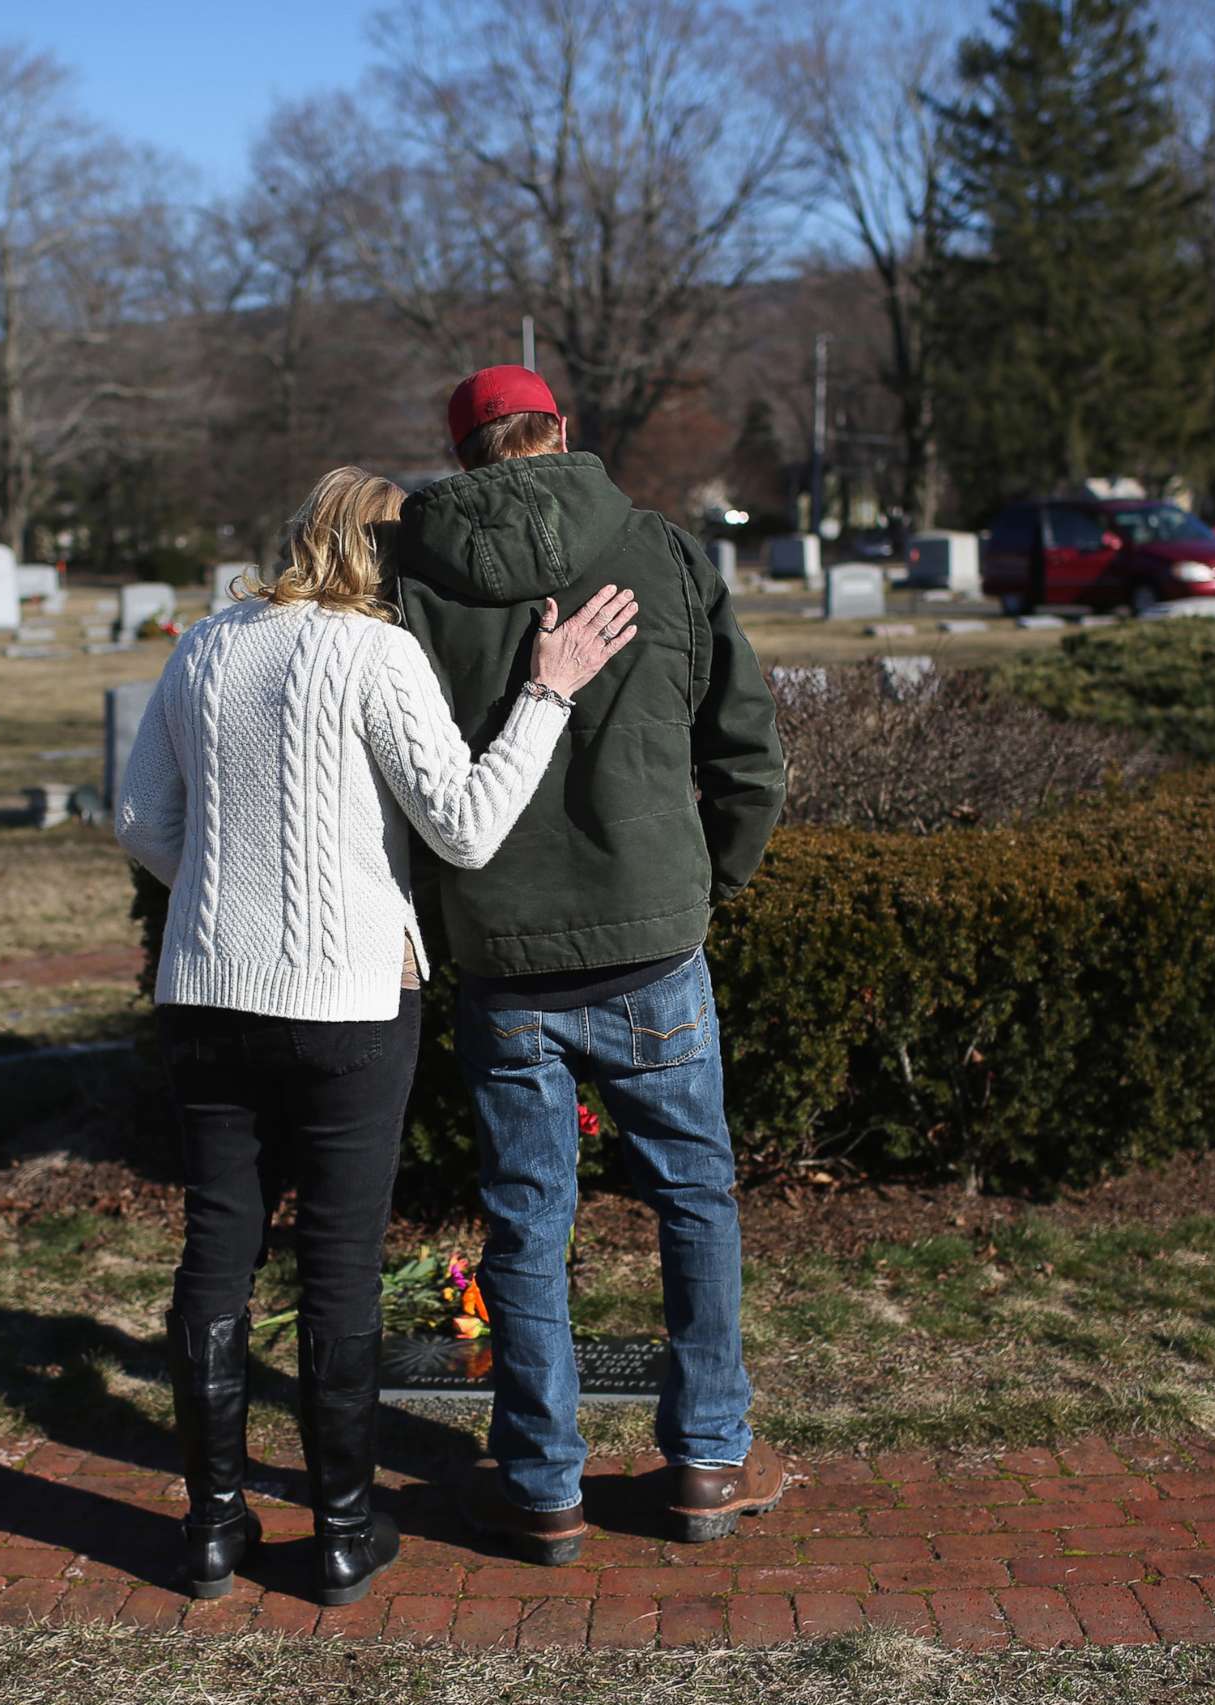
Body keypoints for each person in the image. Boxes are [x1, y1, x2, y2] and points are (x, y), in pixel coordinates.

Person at [113, 465, 639, 1606]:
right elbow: (463, 828)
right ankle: (344, 1532)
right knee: (340, 1268)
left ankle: (211, 1530)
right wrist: (547, 693)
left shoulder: (203, 644)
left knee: (216, 1252)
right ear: (386, 557)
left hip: (206, 991)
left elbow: (142, 819)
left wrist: (216, 889)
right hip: (351, 997)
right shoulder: (376, 651)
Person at [390, 367, 788, 1564]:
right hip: (651, 942)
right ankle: (710, 1460)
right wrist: (706, 881)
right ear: (562, 431)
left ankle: (541, 1484)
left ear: (462, 454)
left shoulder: (414, 583)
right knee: (694, 1197)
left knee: (526, 1222)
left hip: (503, 954)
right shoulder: (660, 551)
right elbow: (747, 746)